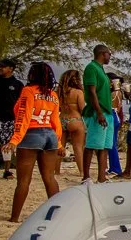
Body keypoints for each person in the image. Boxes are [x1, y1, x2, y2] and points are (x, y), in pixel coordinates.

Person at [3, 63, 64, 222]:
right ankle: (58, 216)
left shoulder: (28, 91)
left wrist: (15, 139)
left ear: (32, 75)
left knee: (23, 181)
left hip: (31, 134)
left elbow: (23, 116)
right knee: (50, 178)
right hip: (50, 135)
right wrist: (59, 143)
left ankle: (14, 218)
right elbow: (55, 121)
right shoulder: (53, 95)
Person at [81, 45, 113, 182]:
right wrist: (99, 113)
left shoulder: (101, 70)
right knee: (92, 144)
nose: (110, 57)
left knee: (105, 146)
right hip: (97, 111)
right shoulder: (91, 68)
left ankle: (102, 177)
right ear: (102, 54)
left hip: (107, 111)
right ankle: (86, 176)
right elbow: (92, 91)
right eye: (109, 54)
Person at [54, 69, 85, 175]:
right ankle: (81, 171)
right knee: (78, 147)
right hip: (75, 120)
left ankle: (56, 171)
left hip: (61, 119)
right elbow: (82, 109)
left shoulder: (58, 92)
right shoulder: (78, 92)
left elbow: (56, 108)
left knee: (60, 147)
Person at [106, 74, 125, 177]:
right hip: (116, 116)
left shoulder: (112, 93)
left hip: (111, 115)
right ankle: (114, 167)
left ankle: (115, 168)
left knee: (111, 144)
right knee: (112, 143)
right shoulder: (119, 93)